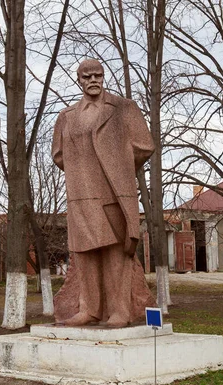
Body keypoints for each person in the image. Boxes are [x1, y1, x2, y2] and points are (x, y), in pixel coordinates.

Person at [51, 59, 155, 327]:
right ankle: (90, 309)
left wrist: (117, 162)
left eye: (98, 75)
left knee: (116, 253)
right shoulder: (67, 116)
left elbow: (145, 146)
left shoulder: (123, 108)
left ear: (104, 77)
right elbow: (58, 155)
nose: (93, 80)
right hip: (80, 194)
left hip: (113, 192)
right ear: (79, 80)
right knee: (84, 254)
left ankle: (119, 311)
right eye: (87, 77)